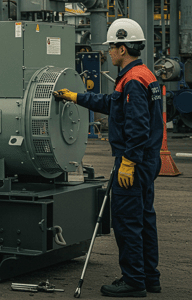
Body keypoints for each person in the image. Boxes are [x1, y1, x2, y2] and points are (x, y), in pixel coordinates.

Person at [55, 18, 162, 297]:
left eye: (112, 47)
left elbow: (137, 126)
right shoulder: (142, 75)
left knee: (127, 222)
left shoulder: (133, 81)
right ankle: (150, 277)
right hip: (147, 160)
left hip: (134, 162)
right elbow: (110, 104)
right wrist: (74, 97)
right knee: (144, 219)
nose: (109, 52)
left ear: (123, 48)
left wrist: (128, 161)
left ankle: (133, 281)